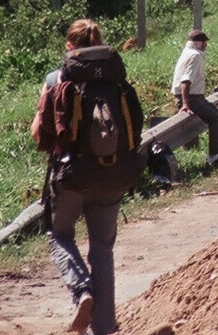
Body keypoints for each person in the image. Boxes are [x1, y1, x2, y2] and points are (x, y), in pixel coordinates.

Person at [31, 18, 144, 335]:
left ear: (69, 47)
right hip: (113, 175)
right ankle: (105, 328)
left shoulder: (56, 78)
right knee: (102, 248)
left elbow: (39, 135)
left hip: (71, 176)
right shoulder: (116, 81)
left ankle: (81, 290)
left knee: (59, 234)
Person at [171, 30, 218, 165]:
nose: (206, 45)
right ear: (197, 43)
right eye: (204, 42)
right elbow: (185, 82)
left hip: (194, 97)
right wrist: (185, 104)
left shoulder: (187, 52)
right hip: (191, 98)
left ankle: (217, 154)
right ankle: (213, 158)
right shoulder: (195, 55)